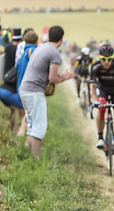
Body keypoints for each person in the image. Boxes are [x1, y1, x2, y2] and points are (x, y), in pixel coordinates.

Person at [18, 25, 75, 158]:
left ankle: (29, 157)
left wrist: (60, 75)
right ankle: (35, 159)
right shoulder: (54, 53)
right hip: (34, 91)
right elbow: (53, 78)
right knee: (39, 126)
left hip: (25, 89)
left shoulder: (42, 47)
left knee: (32, 125)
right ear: (61, 39)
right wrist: (65, 77)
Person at [90, 44, 114, 159]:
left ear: (113, 58)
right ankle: (100, 138)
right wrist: (95, 101)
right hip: (103, 90)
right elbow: (92, 86)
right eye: (103, 59)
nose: (106, 62)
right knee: (101, 109)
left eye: (109, 59)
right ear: (99, 58)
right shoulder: (95, 67)